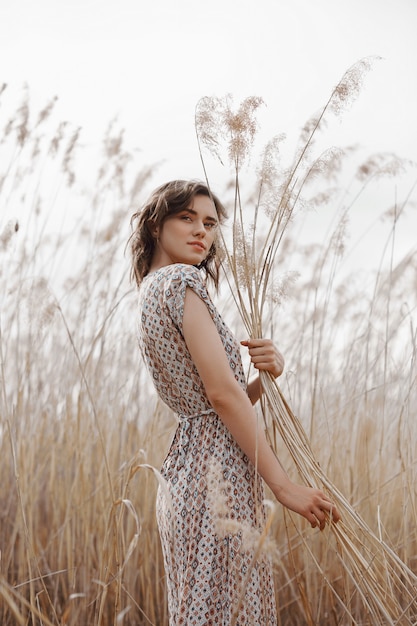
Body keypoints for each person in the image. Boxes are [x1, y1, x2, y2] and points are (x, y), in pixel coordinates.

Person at [130, 179, 340, 625]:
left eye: (209, 223)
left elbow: (221, 399)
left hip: (187, 472)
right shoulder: (182, 280)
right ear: (155, 226)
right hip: (216, 479)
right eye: (186, 218)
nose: (201, 231)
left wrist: (266, 377)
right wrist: (283, 487)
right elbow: (221, 396)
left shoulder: (149, 290)